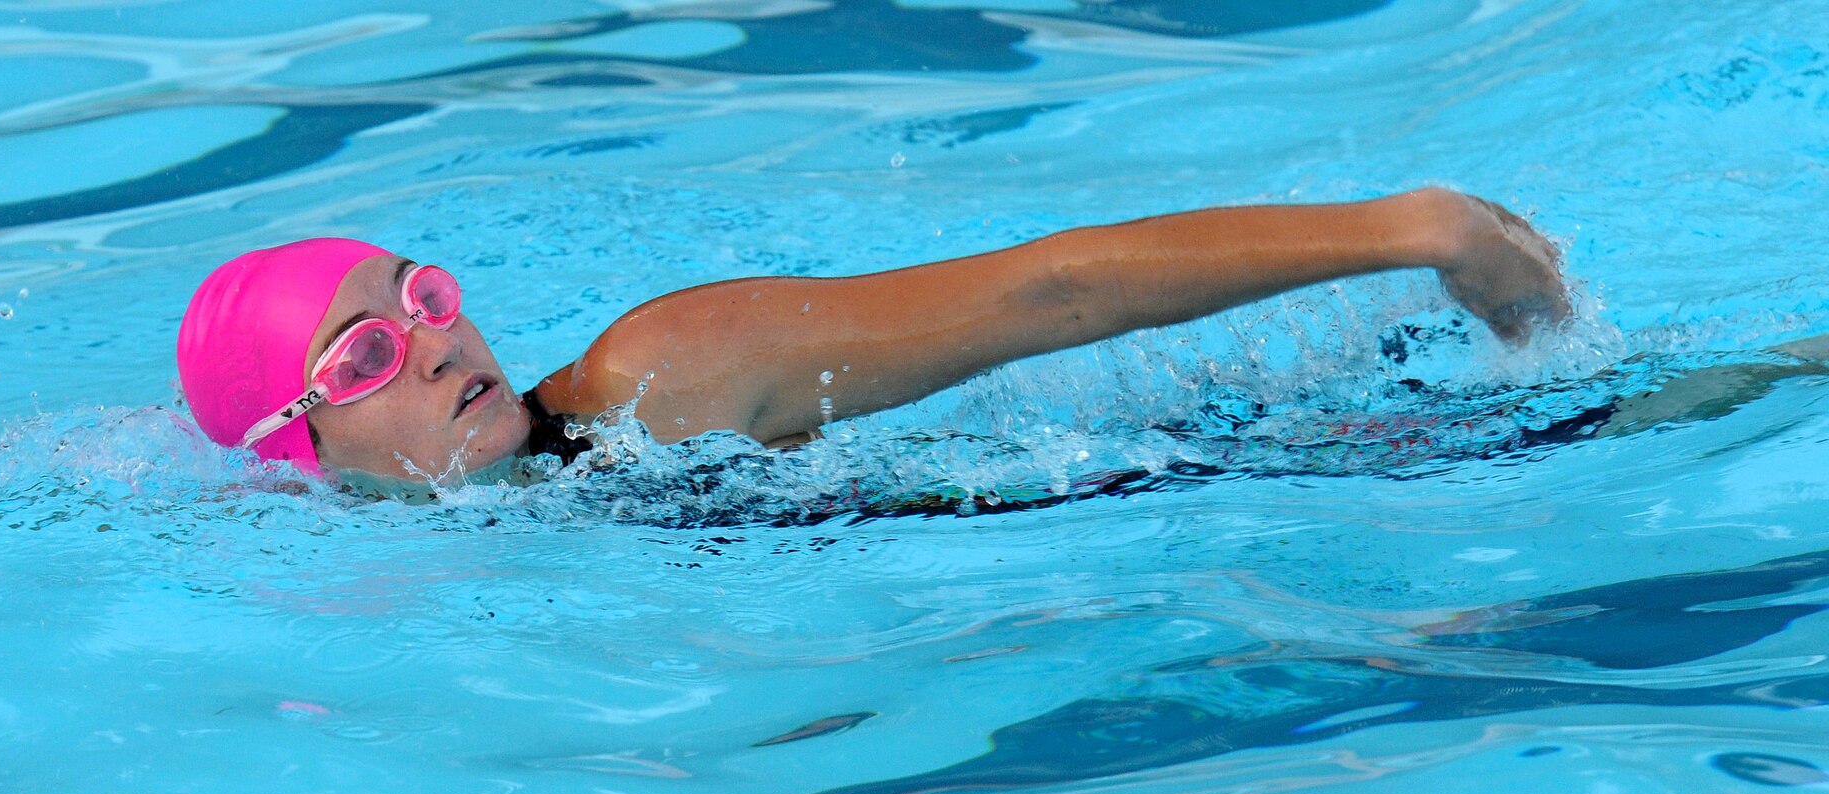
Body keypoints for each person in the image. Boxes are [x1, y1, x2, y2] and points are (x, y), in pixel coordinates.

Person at [176, 187, 1571, 488]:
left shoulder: (659, 384)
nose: (431, 345)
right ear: (291, 450)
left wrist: (1413, 229)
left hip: (1258, 471)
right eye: (358, 356)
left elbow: (1046, 290)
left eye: (422, 297)